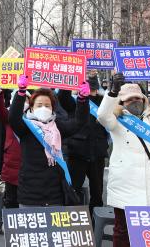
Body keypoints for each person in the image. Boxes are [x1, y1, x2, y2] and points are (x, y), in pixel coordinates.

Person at [97, 73, 150, 247]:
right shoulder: (116, 120)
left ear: (144, 99)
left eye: (137, 98)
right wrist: (112, 92)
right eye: (129, 99)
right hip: (124, 186)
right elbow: (103, 116)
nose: (134, 101)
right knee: (122, 231)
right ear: (121, 102)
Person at [8, 75, 90, 207]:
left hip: (55, 193)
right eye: (39, 105)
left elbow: (79, 122)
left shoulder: (58, 126)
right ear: (32, 108)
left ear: (53, 108)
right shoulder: (25, 127)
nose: (43, 108)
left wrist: (83, 100)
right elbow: (13, 118)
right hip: (30, 192)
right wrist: (21, 92)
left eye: (47, 105)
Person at [57, 73, 109, 213]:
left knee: (97, 194)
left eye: (91, 87)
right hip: (77, 152)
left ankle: (95, 222)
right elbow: (63, 98)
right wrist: (69, 79)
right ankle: (75, 223)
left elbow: (114, 102)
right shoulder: (74, 101)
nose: (90, 90)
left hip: (97, 153)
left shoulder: (104, 102)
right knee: (73, 190)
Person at [0, 87, 22, 209]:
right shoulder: (9, 116)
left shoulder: (35, 118)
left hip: (32, 168)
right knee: (11, 200)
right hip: (12, 166)